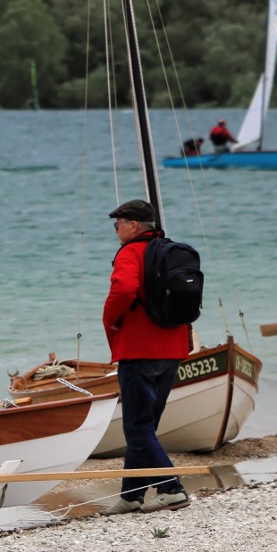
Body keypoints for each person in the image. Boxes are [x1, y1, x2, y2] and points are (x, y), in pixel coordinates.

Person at [101, 200, 191, 515]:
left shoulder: (131, 252)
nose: (116, 229)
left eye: (119, 223)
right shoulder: (170, 251)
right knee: (145, 425)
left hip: (140, 348)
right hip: (173, 347)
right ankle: (132, 495)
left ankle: (171, 488)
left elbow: (124, 289)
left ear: (135, 225)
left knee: (138, 427)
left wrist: (110, 319)